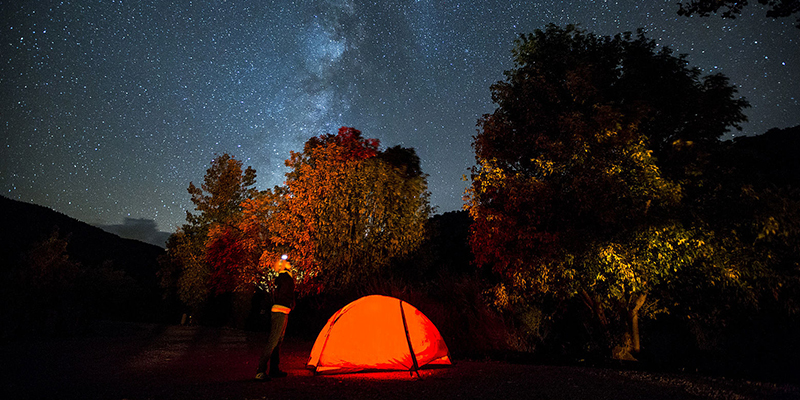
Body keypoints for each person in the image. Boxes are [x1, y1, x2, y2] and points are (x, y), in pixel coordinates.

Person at [255, 254, 296, 381]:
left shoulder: (285, 277)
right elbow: (283, 294)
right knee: (273, 341)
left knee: (278, 341)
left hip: (283, 310)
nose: (289, 263)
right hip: (279, 310)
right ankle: (260, 371)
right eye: (287, 262)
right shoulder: (284, 277)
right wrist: (288, 302)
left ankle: (274, 369)